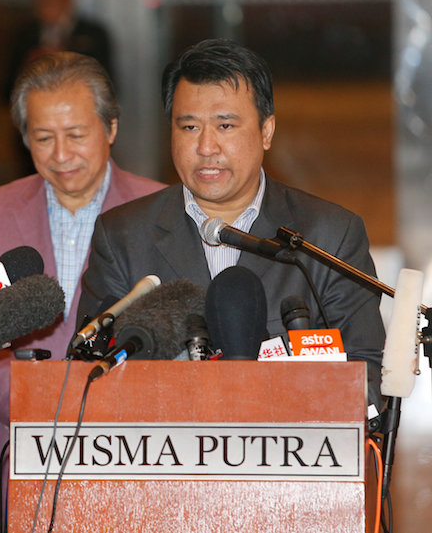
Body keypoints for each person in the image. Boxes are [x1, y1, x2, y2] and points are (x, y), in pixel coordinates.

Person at [76, 38, 384, 403]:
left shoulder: (329, 235)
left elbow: (366, 374)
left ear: (266, 131)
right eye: (189, 127)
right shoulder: (123, 236)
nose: (207, 147)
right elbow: (90, 371)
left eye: (225, 126)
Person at [0, 51, 164, 533]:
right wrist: (45, 413)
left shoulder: (160, 213)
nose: (61, 155)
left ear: (110, 128)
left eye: (76, 135)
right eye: (44, 138)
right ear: (24, 138)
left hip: (128, 455)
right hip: (16, 454)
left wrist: (101, 415)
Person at [3, 0, 115, 176]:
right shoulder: (24, 35)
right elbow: (5, 90)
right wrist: (30, 68)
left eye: (53, 0)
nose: (48, 7)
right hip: (33, 124)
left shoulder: (93, 34)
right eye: (42, 1)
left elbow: (111, 85)